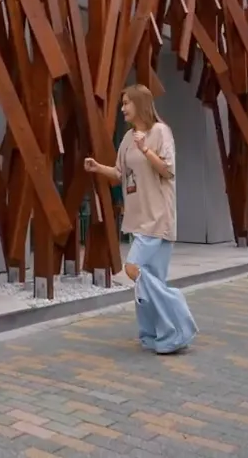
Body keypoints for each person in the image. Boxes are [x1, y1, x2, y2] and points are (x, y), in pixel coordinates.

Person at [84, 85, 197, 355]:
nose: (123, 108)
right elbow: (120, 173)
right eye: (122, 103)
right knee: (150, 281)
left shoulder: (160, 132)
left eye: (127, 103)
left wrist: (146, 149)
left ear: (140, 103)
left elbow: (168, 170)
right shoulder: (126, 138)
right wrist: (98, 168)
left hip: (157, 218)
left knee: (133, 269)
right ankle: (156, 335)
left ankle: (179, 318)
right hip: (138, 219)